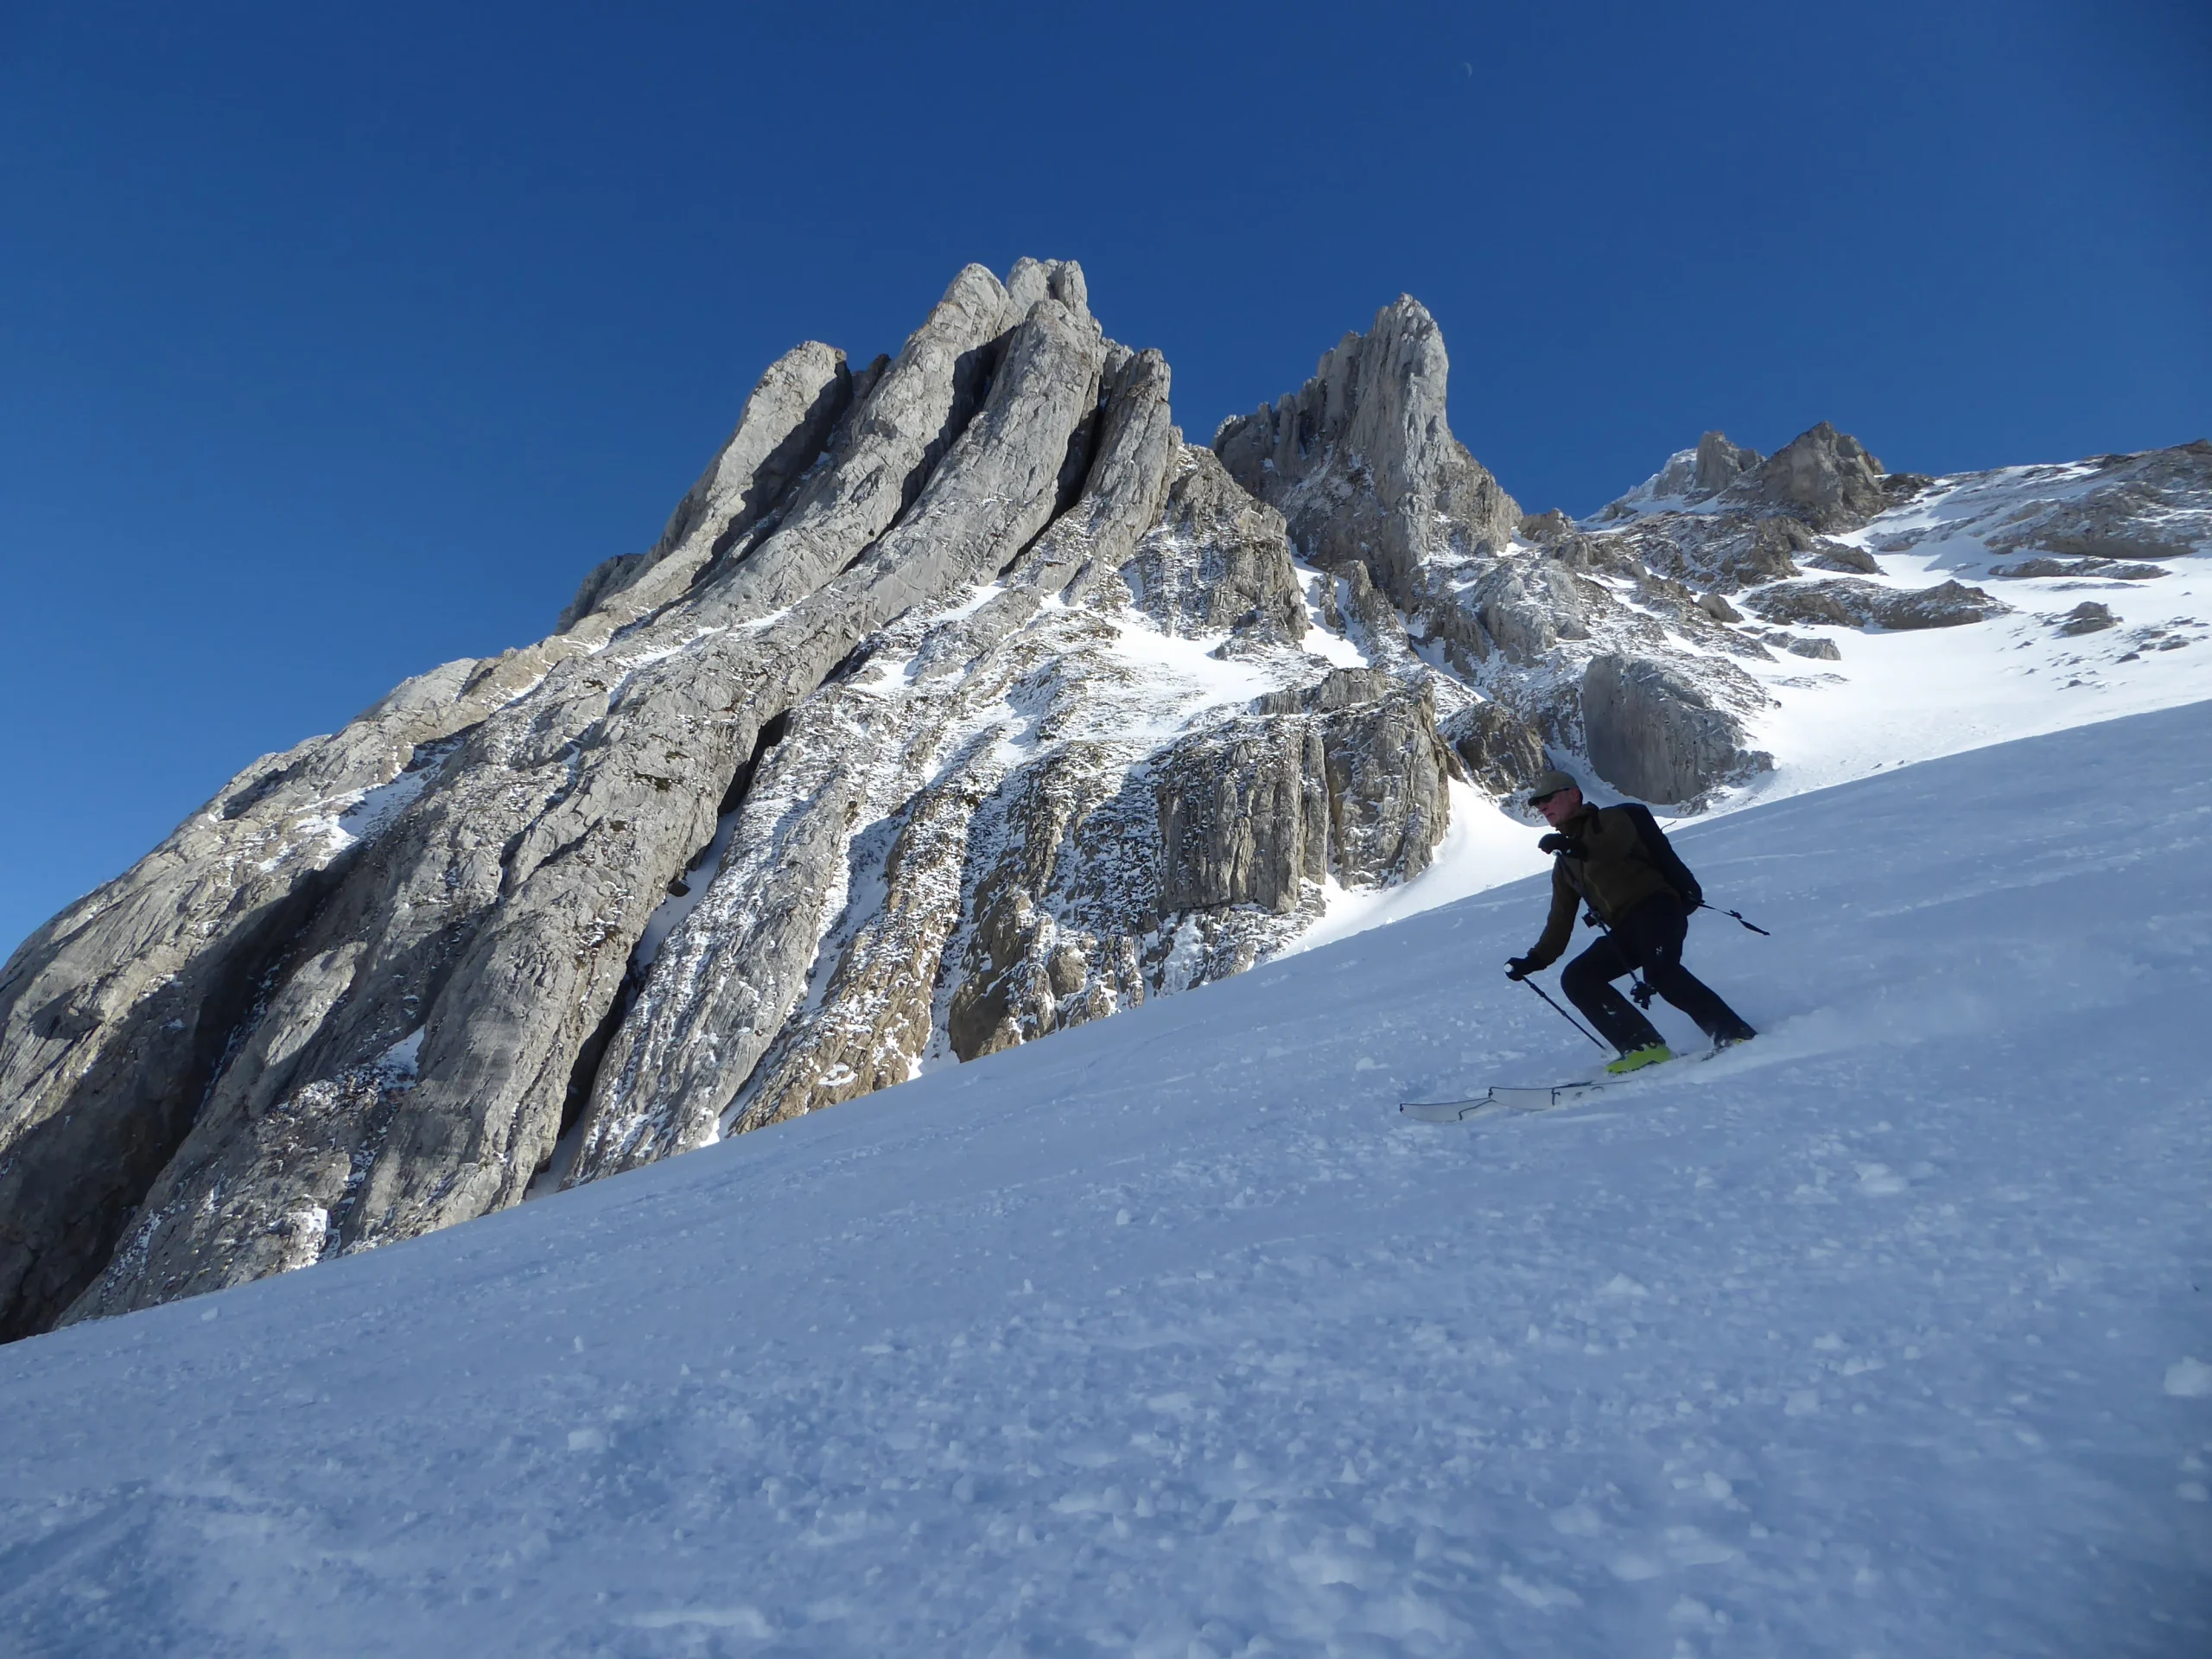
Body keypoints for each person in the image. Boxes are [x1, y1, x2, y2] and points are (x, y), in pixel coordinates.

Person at [1505, 770, 1756, 1073]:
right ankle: (1644, 1048)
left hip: (1658, 909)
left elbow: (1614, 846)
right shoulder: (1565, 865)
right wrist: (1533, 961)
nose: (1542, 807)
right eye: (1537, 804)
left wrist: (1576, 848)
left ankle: (1733, 1034)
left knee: (1662, 974)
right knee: (1578, 978)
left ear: (1573, 794)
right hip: (1626, 930)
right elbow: (1560, 920)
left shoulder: (1610, 820)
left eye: (1547, 799)